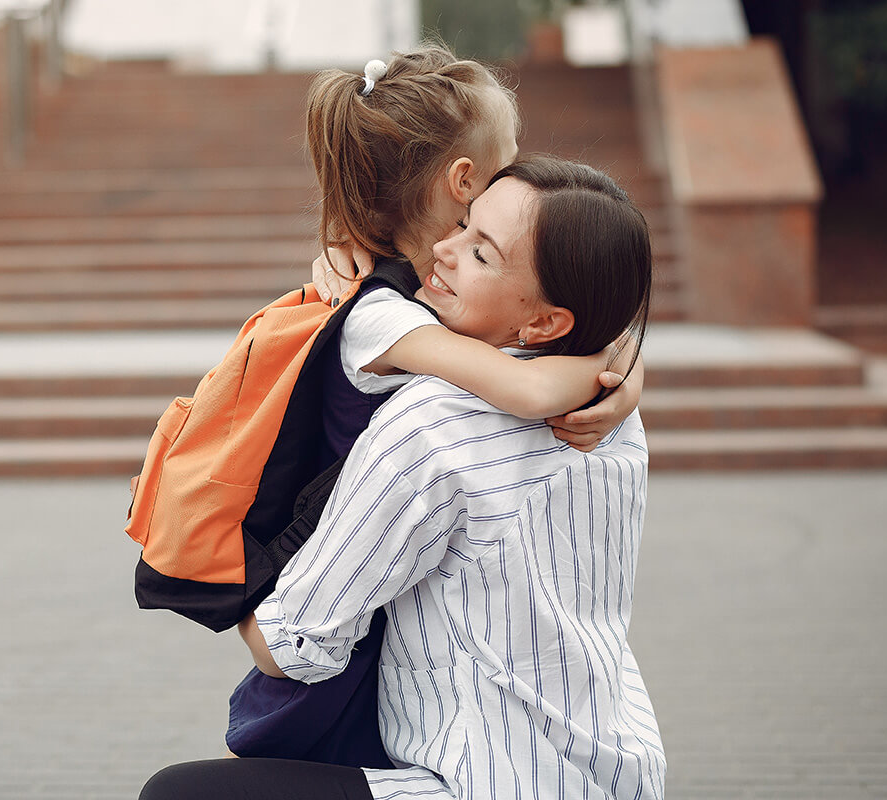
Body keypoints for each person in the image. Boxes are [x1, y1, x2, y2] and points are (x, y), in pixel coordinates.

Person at [142, 155, 665, 799]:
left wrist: (217, 576)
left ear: (545, 323)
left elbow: (295, 646)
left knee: (180, 796)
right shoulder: (609, 409)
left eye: (481, 254)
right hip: (617, 770)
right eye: (465, 223)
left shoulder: (431, 423)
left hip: (480, 784)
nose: (443, 248)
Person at [222, 48, 643, 767]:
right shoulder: (380, 311)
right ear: (464, 179)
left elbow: (549, 331)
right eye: (510, 157)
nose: (522, 166)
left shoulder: (429, 293)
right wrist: (613, 374)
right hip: (336, 588)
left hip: (382, 588)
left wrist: (621, 363)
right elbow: (531, 387)